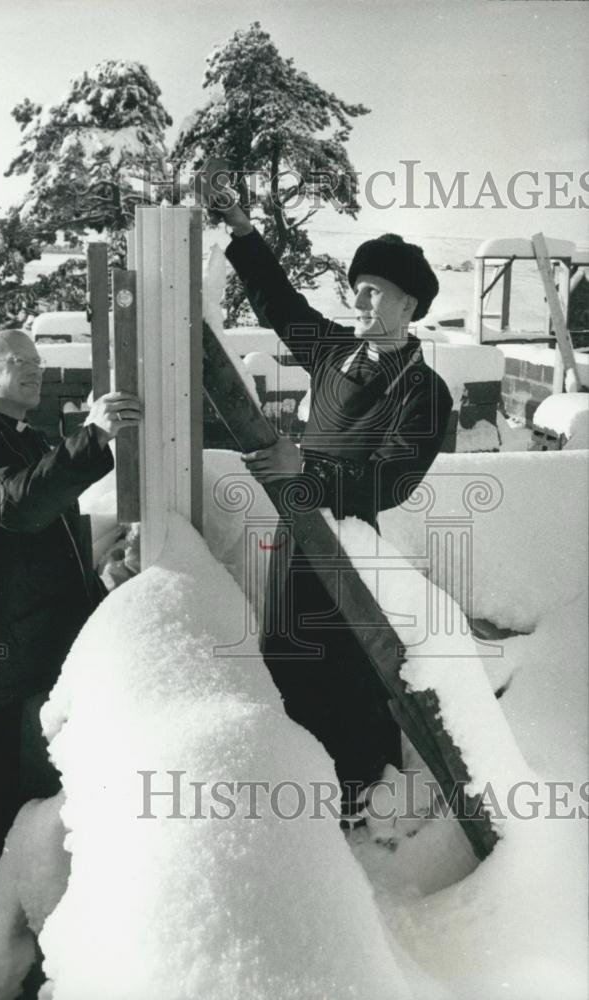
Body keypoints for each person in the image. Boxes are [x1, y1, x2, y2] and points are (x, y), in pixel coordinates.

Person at [205, 182, 453, 821]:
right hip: (296, 538)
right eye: (358, 286)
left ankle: (362, 803)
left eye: (375, 290)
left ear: (409, 304)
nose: (360, 297)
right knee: (287, 662)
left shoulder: (425, 392)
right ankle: (299, 807)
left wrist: (304, 465)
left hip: (350, 547)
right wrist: (241, 231)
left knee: (351, 677)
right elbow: (281, 306)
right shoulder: (336, 351)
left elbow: (390, 481)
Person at [0, 329, 141, 962]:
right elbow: (18, 508)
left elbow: (52, 524)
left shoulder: (25, 434)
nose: (32, 373)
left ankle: (10, 930)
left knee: (18, 787)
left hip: (27, 632)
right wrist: (95, 437)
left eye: (36, 363)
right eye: (15, 363)